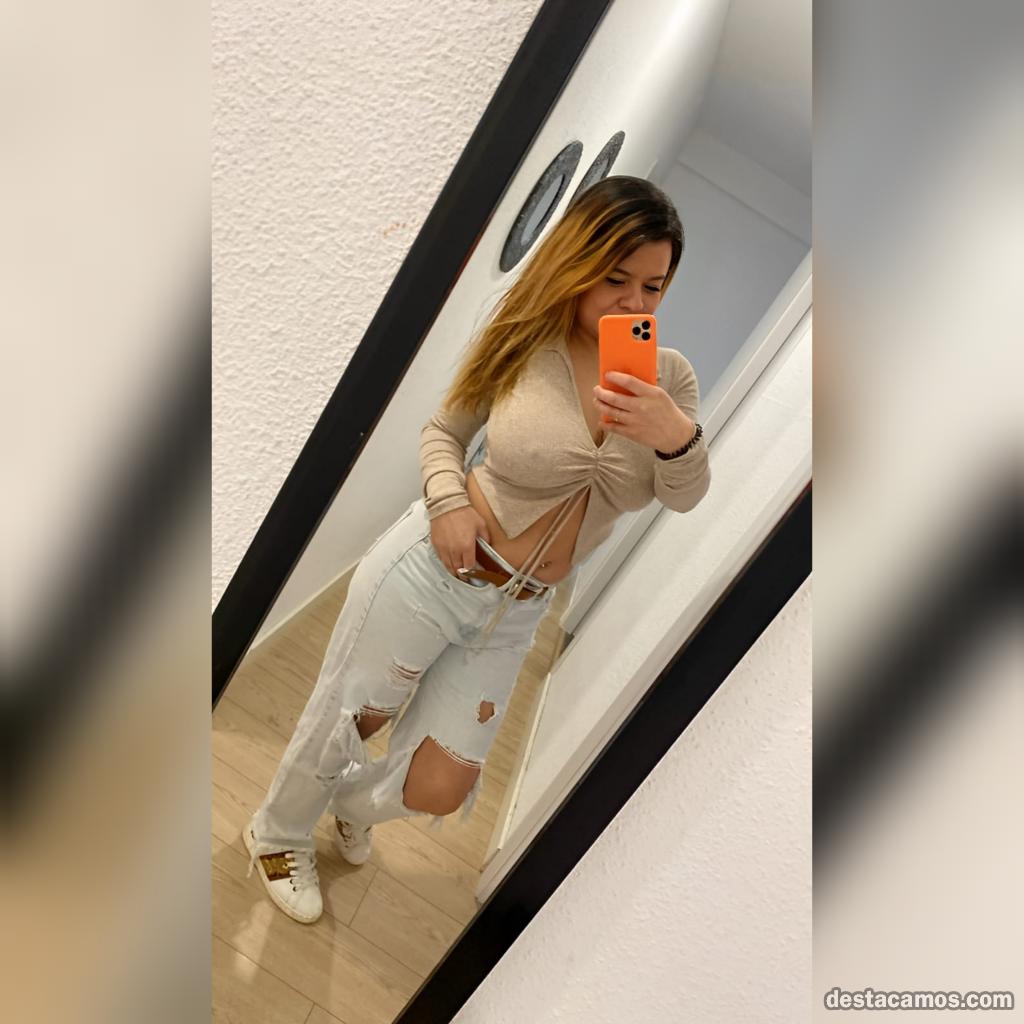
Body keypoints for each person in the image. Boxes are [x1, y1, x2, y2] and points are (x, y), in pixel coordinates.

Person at [243, 175, 712, 923]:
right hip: (433, 570)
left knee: (444, 783)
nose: (634, 304)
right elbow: (444, 433)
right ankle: (276, 832)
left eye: (653, 287)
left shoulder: (671, 379)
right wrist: (449, 503)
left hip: (520, 611)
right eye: (615, 279)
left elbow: (684, 494)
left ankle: (348, 802)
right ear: (577, 262)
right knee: (352, 714)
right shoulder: (524, 336)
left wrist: (674, 436)